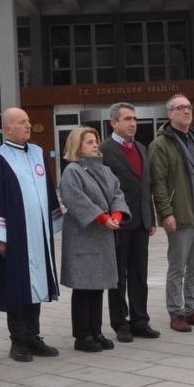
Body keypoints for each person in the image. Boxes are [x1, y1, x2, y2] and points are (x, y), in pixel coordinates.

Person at [0, 108, 62, 362]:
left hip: (38, 232)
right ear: (8, 128)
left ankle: (33, 336)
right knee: (16, 286)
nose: (28, 125)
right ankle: (18, 340)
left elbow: (48, 188)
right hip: (15, 234)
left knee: (38, 284)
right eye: (22, 122)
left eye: (28, 121)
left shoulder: (38, 152)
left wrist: (53, 222)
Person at [149, 93, 194, 333]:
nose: (186, 111)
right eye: (180, 108)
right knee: (177, 267)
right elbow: (158, 182)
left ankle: (192, 308)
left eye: (189, 107)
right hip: (179, 215)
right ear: (170, 114)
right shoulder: (161, 144)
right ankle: (176, 312)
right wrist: (165, 213)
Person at [59, 127, 132, 352]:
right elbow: (75, 199)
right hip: (84, 237)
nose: (95, 145)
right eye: (89, 142)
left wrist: (117, 215)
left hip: (103, 235)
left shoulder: (105, 170)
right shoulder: (72, 171)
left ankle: (96, 330)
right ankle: (82, 335)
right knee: (84, 286)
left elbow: (118, 194)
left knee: (98, 285)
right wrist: (101, 217)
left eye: (95, 141)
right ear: (77, 146)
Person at [99, 102, 161, 343]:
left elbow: (146, 185)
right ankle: (120, 323)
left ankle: (140, 320)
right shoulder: (105, 150)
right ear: (114, 122)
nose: (133, 123)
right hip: (118, 223)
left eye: (134, 119)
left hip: (141, 223)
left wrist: (150, 217)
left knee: (139, 275)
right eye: (127, 119)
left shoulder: (141, 148)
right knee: (118, 278)